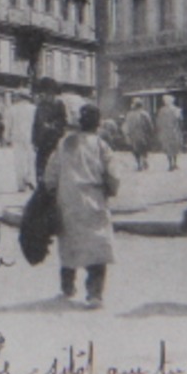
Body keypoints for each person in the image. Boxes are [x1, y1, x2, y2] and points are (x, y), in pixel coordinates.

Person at [43, 103, 119, 308]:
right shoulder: (101, 146)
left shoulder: (65, 143)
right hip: (93, 200)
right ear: (98, 123)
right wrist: (111, 190)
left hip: (68, 199)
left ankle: (67, 286)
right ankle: (95, 294)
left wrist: (51, 191)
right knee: (97, 246)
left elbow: (51, 172)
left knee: (69, 242)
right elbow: (113, 175)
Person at [30, 78, 69, 185]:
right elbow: (36, 124)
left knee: (54, 167)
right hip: (42, 142)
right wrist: (34, 140)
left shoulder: (59, 104)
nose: (45, 95)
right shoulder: (40, 106)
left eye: (48, 93)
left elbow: (63, 121)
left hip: (54, 141)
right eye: (44, 93)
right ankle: (41, 186)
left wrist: (53, 126)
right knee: (40, 166)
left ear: (53, 93)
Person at [8, 90, 38, 191]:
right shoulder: (34, 109)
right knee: (31, 159)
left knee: (19, 161)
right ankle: (31, 179)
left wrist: (6, 136)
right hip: (31, 136)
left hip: (17, 137)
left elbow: (8, 124)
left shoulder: (12, 109)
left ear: (20, 97)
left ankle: (21, 185)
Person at [123, 98, 156, 172]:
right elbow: (149, 124)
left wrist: (127, 135)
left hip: (133, 135)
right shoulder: (144, 114)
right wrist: (151, 133)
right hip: (143, 134)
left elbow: (126, 126)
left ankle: (139, 163)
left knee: (135, 150)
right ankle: (144, 160)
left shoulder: (129, 114)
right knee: (143, 149)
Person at [156, 95, 184, 172]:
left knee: (168, 148)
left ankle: (170, 164)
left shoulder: (161, 111)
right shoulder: (177, 110)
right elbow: (180, 121)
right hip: (174, 131)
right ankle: (175, 163)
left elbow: (158, 122)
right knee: (175, 147)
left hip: (165, 132)